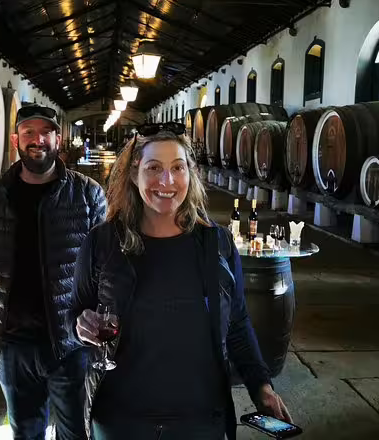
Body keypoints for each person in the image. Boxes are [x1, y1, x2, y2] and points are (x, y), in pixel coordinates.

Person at [70, 122, 291, 440]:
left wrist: (262, 386)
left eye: (178, 167)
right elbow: (74, 315)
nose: (166, 180)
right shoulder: (101, 242)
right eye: (153, 168)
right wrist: (80, 326)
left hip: (200, 420)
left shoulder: (218, 244)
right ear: (134, 175)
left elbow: (238, 324)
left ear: (191, 174)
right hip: (120, 419)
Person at [0, 103, 107, 440]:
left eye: (46, 133)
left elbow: (108, 261)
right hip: (11, 343)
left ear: (59, 138)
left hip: (71, 344)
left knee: (76, 433)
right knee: (25, 433)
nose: (37, 140)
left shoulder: (87, 194)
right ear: (16, 139)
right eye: (29, 133)